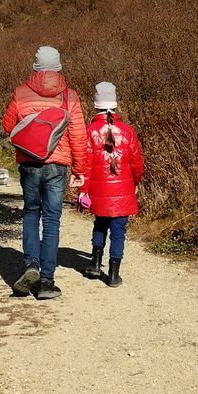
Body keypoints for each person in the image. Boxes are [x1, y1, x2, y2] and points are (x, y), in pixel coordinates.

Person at [1, 46, 87, 300]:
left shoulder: (21, 93)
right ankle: (47, 282)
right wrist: (80, 169)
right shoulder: (69, 96)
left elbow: (8, 126)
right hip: (57, 165)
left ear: (35, 66)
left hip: (29, 163)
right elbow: (78, 136)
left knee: (30, 213)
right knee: (51, 220)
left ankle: (31, 265)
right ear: (59, 67)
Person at [79, 82, 145, 288]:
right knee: (119, 231)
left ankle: (95, 263)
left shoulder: (89, 131)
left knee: (100, 224)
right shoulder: (127, 131)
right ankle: (114, 274)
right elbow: (137, 163)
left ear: (95, 105)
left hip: (98, 189)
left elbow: (85, 165)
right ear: (115, 104)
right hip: (123, 189)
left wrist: (83, 191)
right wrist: (135, 183)